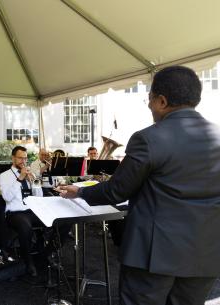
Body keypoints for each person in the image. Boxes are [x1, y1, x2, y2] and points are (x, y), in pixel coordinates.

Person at [57, 66, 220, 305]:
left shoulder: (149, 138)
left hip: (153, 253)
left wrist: (81, 191)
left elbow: (117, 190)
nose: (149, 105)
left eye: (150, 99)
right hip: (206, 251)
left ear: (162, 100)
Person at [0, 146, 41, 276]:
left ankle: (45, 253)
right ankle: (28, 262)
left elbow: (39, 197)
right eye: (20, 158)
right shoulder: (4, 176)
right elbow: (7, 197)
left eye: (25, 158)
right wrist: (20, 179)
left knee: (58, 221)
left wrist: (35, 183)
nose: (23, 161)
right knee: (25, 225)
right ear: (13, 158)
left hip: (31, 210)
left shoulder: (29, 173)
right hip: (14, 213)